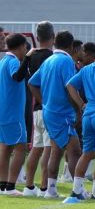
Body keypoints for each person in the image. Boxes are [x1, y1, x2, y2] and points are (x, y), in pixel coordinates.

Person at [28, 30, 81, 200]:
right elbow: (70, 87)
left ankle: (50, 189)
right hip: (62, 113)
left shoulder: (49, 60)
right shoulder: (66, 60)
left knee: (56, 151)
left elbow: (32, 83)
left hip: (49, 112)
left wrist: (44, 102)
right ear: (71, 46)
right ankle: (78, 190)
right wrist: (80, 108)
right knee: (74, 152)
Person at [17, 22, 55, 196]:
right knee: (49, 148)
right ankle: (44, 187)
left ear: (37, 38)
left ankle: (29, 186)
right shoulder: (52, 57)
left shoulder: (31, 55)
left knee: (37, 148)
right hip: (49, 107)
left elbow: (22, 76)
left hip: (36, 108)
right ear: (52, 37)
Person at [0, 33, 30, 194]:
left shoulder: (2, 61)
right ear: (19, 47)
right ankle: (11, 186)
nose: (26, 50)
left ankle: (3, 185)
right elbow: (18, 76)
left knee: (4, 149)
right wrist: (27, 60)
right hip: (13, 114)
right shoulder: (12, 61)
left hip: (3, 113)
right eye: (25, 47)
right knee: (20, 148)